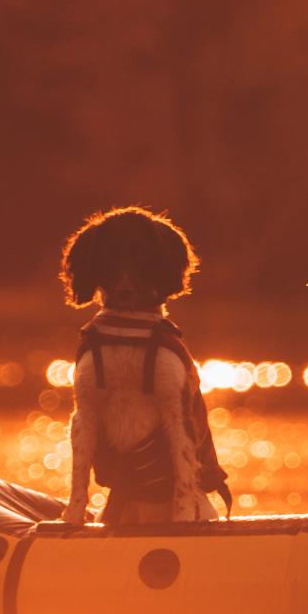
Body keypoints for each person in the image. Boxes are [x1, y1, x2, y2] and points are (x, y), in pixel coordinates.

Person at [59, 206, 231, 527]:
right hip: (121, 505)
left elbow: (182, 430)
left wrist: (183, 517)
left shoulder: (163, 351)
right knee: (86, 418)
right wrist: (75, 513)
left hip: (186, 507)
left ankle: (183, 513)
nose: (125, 282)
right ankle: (75, 510)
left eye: (138, 263)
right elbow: (85, 422)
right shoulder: (95, 348)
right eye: (112, 265)